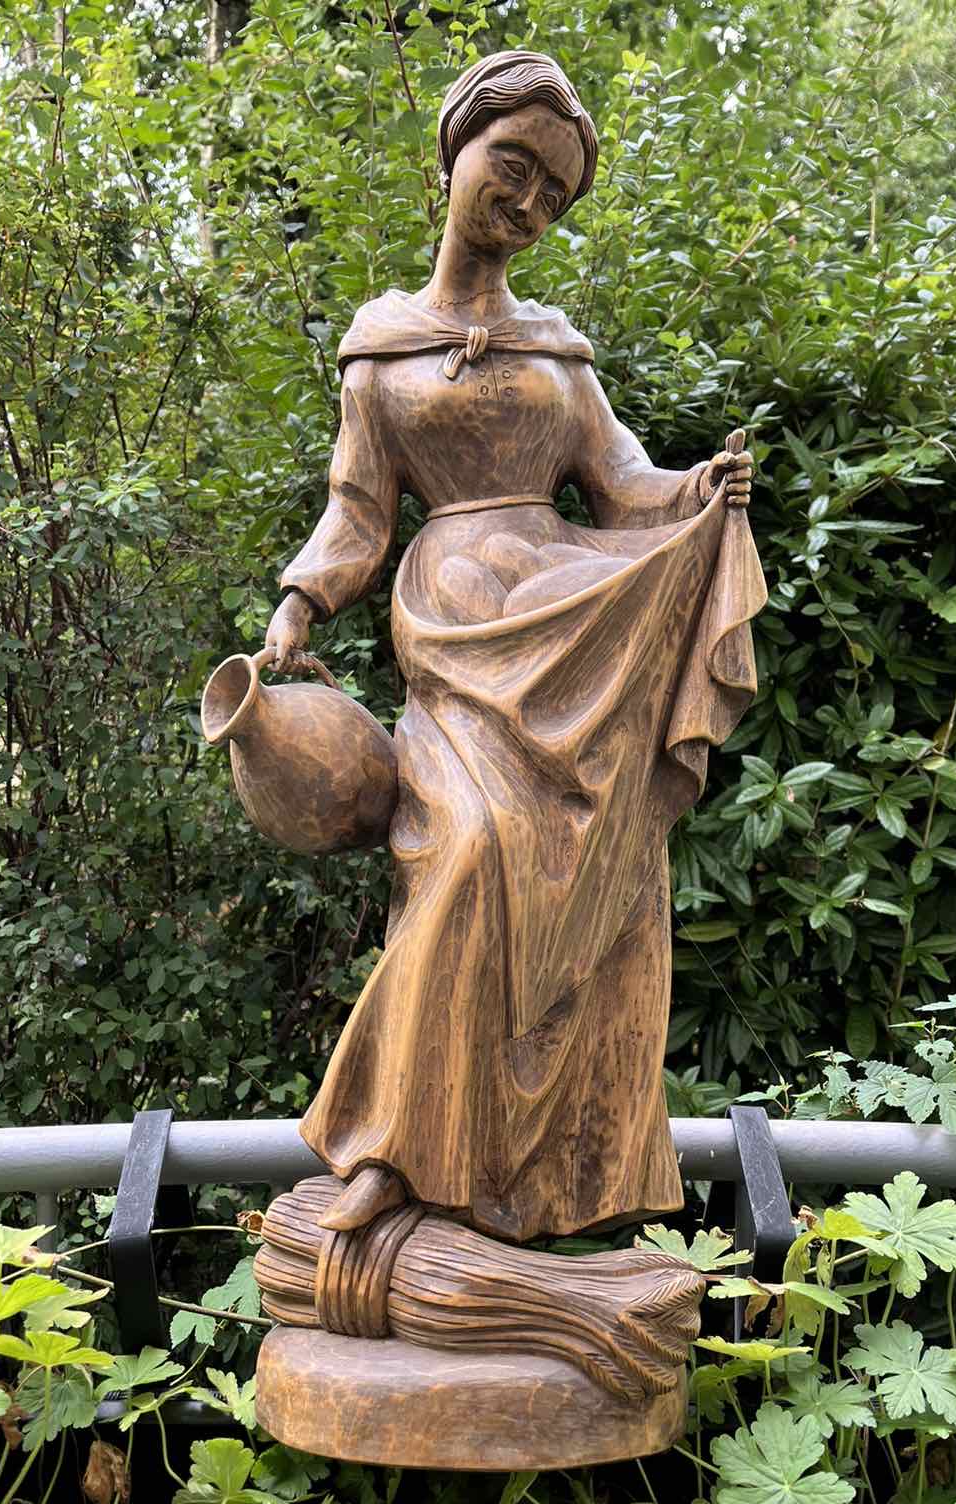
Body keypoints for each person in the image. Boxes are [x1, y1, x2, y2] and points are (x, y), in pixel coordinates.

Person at [264, 50, 763, 1242]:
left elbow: (626, 483)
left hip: (574, 626)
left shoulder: (557, 350)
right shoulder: (380, 346)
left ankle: (557, 1184)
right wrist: (298, 604)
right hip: (456, 633)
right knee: (461, 855)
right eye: (516, 164)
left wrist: (699, 489)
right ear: (457, 149)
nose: (530, 200)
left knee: (601, 879)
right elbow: (358, 515)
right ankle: (395, 1148)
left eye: (555, 192)